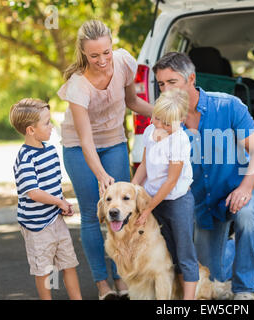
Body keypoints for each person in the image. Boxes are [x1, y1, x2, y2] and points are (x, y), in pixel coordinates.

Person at [152, 52, 254, 300]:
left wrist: (246, 187)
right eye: (161, 84)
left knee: (247, 217)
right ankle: (230, 251)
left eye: (172, 82)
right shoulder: (166, 122)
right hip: (204, 204)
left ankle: (245, 288)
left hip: (240, 186)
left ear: (191, 78)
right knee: (211, 281)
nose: (165, 89)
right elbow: (155, 167)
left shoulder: (228, 106)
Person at [57, 20, 153, 300]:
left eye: (106, 52)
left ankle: (122, 276)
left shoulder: (124, 62)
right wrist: (101, 175)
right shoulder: (78, 87)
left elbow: (133, 103)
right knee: (92, 213)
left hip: (114, 142)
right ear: (84, 53)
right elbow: (86, 140)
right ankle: (102, 283)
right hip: (78, 147)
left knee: (123, 212)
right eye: (94, 55)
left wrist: (161, 114)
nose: (102, 60)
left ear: (113, 46)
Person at [9, 98, 82, 300]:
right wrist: (58, 202)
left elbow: (53, 186)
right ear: (31, 130)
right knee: (45, 269)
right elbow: (33, 192)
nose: (52, 127)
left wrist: (62, 202)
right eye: (47, 123)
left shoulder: (50, 151)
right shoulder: (25, 159)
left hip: (55, 220)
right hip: (36, 226)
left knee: (68, 263)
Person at [131, 88, 199, 300]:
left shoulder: (179, 140)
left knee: (183, 253)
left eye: (167, 124)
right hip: (153, 200)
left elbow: (171, 181)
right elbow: (144, 163)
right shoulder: (150, 130)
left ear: (180, 120)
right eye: (157, 119)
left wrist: (148, 208)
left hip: (176, 202)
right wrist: (133, 189)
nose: (160, 126)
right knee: (165, 250)